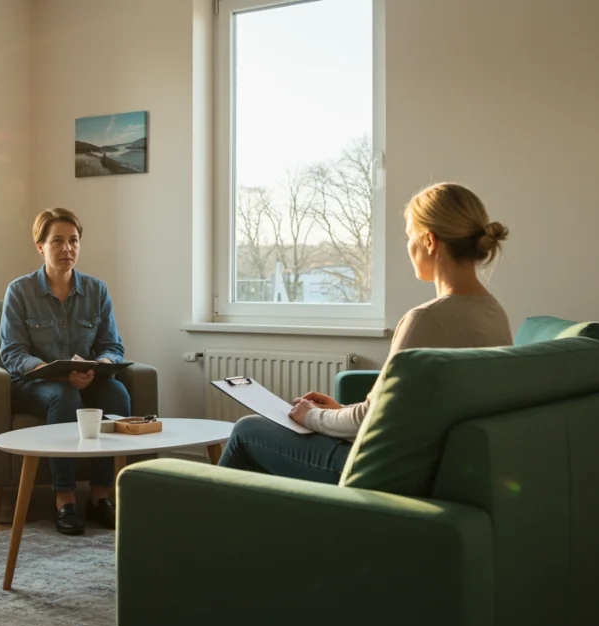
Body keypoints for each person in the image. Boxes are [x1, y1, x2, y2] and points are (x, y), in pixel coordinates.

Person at [217, 182, 514, 483]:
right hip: (431, 468)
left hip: (383, 473)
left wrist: (312, 416)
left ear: (428, 240)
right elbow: (409, 410)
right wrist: (339, 412)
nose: (408, 246)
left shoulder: (426, 319)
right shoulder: (494, 313)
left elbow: (371, 420)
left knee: (247, 430)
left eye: (409, 235)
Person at [0, 207, 129, 535]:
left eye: (73, 241)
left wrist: (101, 367)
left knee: (117, 393)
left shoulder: (97, 291)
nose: (67, 248)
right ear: (40, 246)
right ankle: (65, 497)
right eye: (57, 241)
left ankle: (101, 495)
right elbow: (13, 353)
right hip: (34, 384)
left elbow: (112, 346)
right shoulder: (20, 291)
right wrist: (53, 371)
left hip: (84, 379)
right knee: (64, 394)